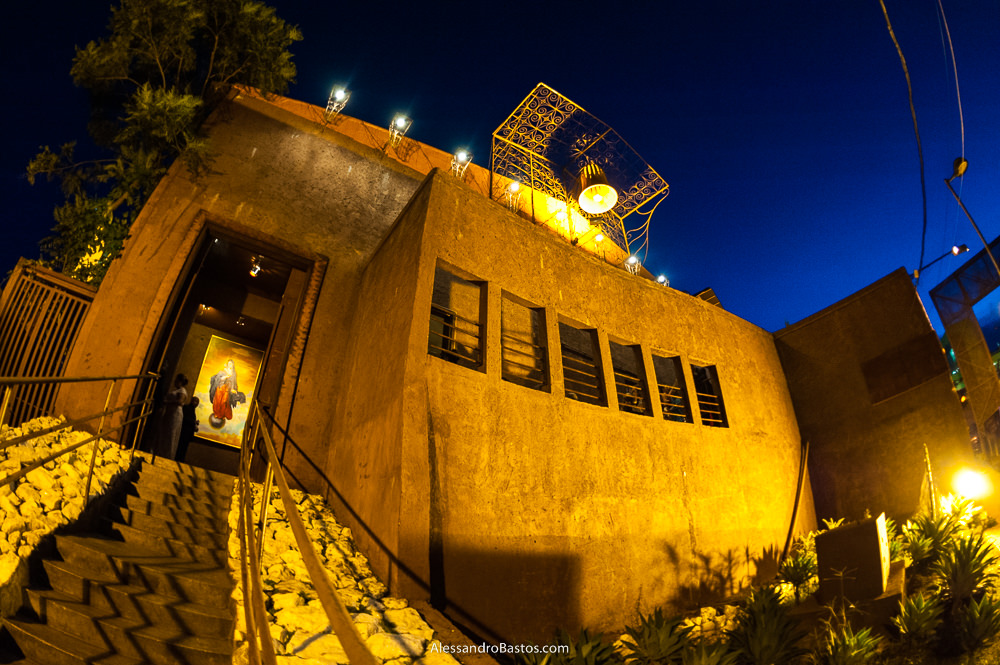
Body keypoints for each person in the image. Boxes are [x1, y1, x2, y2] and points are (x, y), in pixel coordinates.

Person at [209, 359, 246, 428]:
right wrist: (226, 377)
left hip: (227, 389)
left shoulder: (234, 373)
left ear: (233, 365)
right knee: (218, 401)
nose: (230, 365)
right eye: (229, 364)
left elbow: (234, 383)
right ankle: (217, 413)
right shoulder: (223, 371)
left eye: (231, 364)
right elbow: (219, 379)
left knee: (224, 402)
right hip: (221, 388)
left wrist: (233, 389)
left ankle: (222, 414)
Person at [162, 373, 189, 459]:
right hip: (170, 412)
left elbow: (180, 402)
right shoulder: (177, 390)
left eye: (177, 380)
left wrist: (167, 402)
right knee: (167, 432)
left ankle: (168, 454)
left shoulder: (182, 391)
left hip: (175, 413)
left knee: (171, 433)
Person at [177, 395, 200, 463]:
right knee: (181, 447)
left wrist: (194, 424)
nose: (196, 403)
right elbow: (184, 419)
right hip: (184, 432)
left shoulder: (192, 410)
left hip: (187, 433)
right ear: (192, 401)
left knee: (184, 448)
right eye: (195, 401)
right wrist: (194, 422)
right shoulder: (187, 408)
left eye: (197, 402)